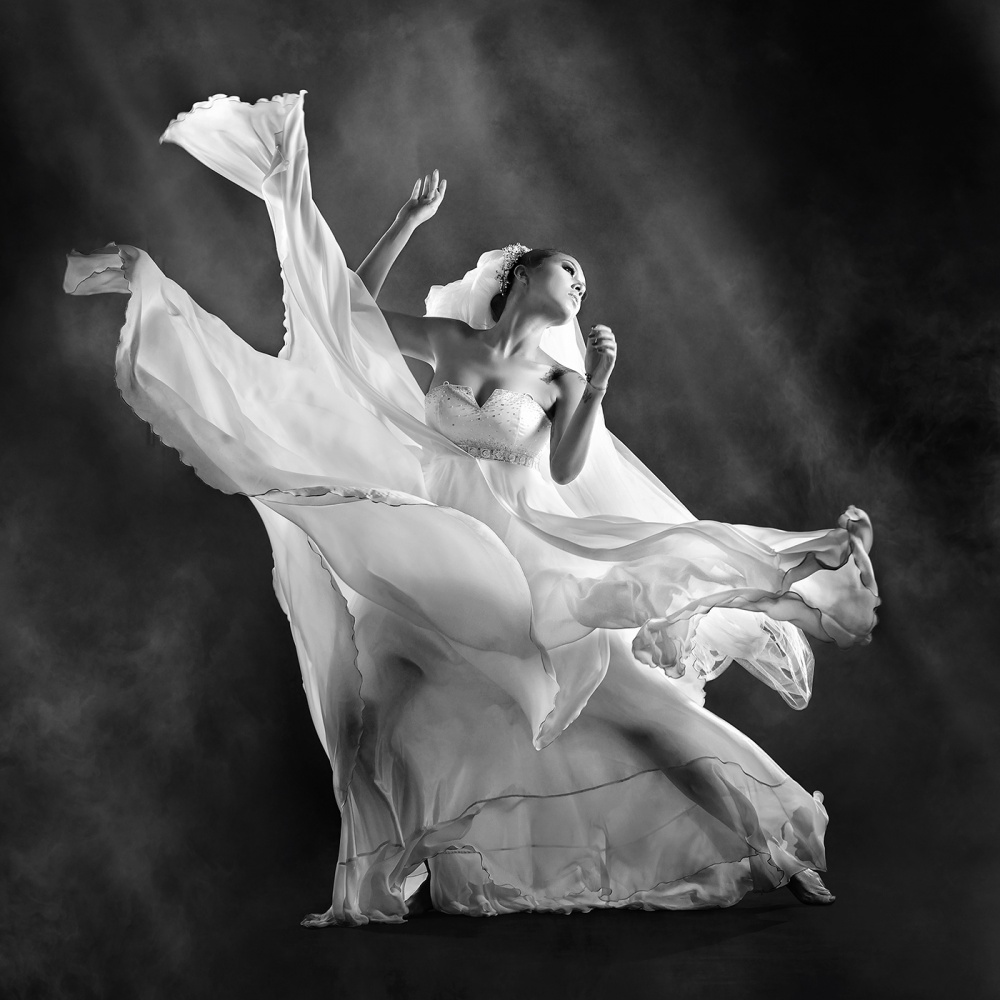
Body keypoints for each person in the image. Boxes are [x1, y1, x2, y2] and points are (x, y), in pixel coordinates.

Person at [64, 92, 879, 926]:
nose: (580, 284)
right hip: (440, 543)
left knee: (645, 716)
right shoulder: (453, 344)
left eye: (583, 283)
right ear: (520, 276)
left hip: (525, 554)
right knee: (394, 706)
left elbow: (568, 462)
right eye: (567, 271)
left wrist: (597, 385)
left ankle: (776, 843)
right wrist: (405, 224)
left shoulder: (560, 380)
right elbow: (347, 317)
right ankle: (406, 865)